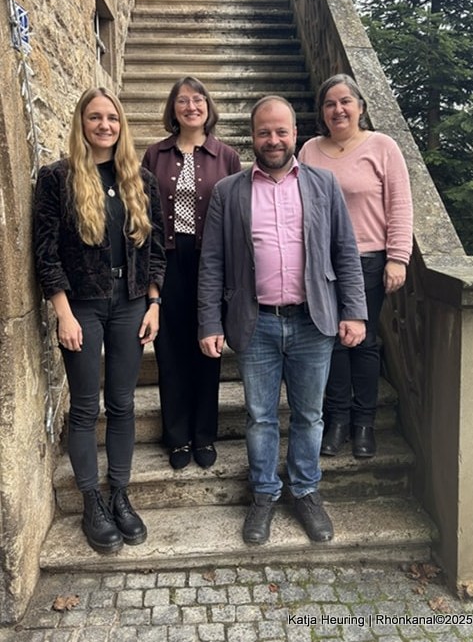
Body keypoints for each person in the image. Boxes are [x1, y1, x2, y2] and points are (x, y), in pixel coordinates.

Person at [198, 95, 367, 546]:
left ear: (295, 134)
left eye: (281, 131)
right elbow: (212, 262)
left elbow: (345, 251)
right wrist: (209, 322)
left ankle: (306, 490)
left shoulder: (323, 184)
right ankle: (264, 493)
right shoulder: (229, 191)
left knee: (310, 415)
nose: (272, 140)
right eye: (264, 132)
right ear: (252, 137)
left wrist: (354, 311)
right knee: (260, 417)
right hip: (256, 324)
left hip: (313, 321)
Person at [34, 87, 166, 554]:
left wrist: (154, 302)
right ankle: (92, 500)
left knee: (123, 403)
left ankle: (120, 494)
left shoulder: (140, 180)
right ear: (82, 123)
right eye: (95, 117)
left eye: (112, 117)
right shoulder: (57, 178)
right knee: (87, 407)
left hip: (131, 302)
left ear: (121, 124)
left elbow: (156, 248)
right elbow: (45, 252)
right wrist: (63, 313)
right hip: (82, 307)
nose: (105, 125)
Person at [298, 74, 413, 459]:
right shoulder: (310, 151)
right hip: (321, 264)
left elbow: (400, 205)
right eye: (329, 103)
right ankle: (337, 421)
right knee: (329, 343)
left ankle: (364, 423)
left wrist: (397, 257)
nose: (338, 109)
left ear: (360, 106)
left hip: (368, 261)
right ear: (322, 112)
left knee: (362, 342)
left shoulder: (382, 147)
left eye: (345, 101)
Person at [142, 76, 241, 470]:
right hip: (168, 258)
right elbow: (144, 214)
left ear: (208, 107)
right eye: (183, 101)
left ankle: (204, 434)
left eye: (198, 100)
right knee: (170, 350)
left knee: (207, 344)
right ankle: (177, 437)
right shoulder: (155, 154)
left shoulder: (226, 156)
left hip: (209, 259)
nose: (191, 107)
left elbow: (234, 215)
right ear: (173, 108)